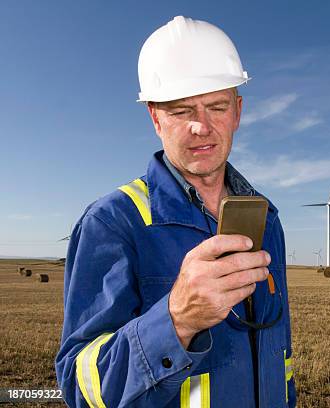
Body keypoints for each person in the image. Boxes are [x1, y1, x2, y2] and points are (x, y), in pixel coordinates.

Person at [55, 16, 295, 408]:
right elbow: (80, 388)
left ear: (237, 111)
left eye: (216, 107)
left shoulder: (268, 220)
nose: (201, 126)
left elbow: (280, 359)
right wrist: (176, 320)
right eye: (182, 111)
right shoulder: (113, 223)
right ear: (155, 117)